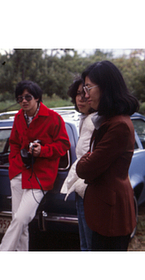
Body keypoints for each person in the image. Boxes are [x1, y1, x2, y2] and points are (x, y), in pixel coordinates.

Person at [0, 80, 70, 251]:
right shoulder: (18, 117)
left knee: (21, 219)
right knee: (19, 223)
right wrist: (15, 161)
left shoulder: (53, 118)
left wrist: (43, 150)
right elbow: (14, 142)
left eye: (28, 97)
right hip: (19, 173)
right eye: (20, 98)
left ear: (37, 98)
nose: (24, 101)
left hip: (40, 177)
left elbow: (64, 145)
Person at [76, 60, 139, 251]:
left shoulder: (118, 125)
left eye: (88, 88)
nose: (85, 95)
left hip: (111, 216)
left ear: (106, 87)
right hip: (104, 211)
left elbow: (84, 168)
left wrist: (86, 158)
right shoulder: (107, 120)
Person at [60, 77, 95, 251]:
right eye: (77, 94)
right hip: (81, 187)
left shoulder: (96, 121)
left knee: (89, 244)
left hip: (89, 188)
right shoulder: (84, 119)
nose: (80, 98)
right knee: (84, 243)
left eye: (85, 94)